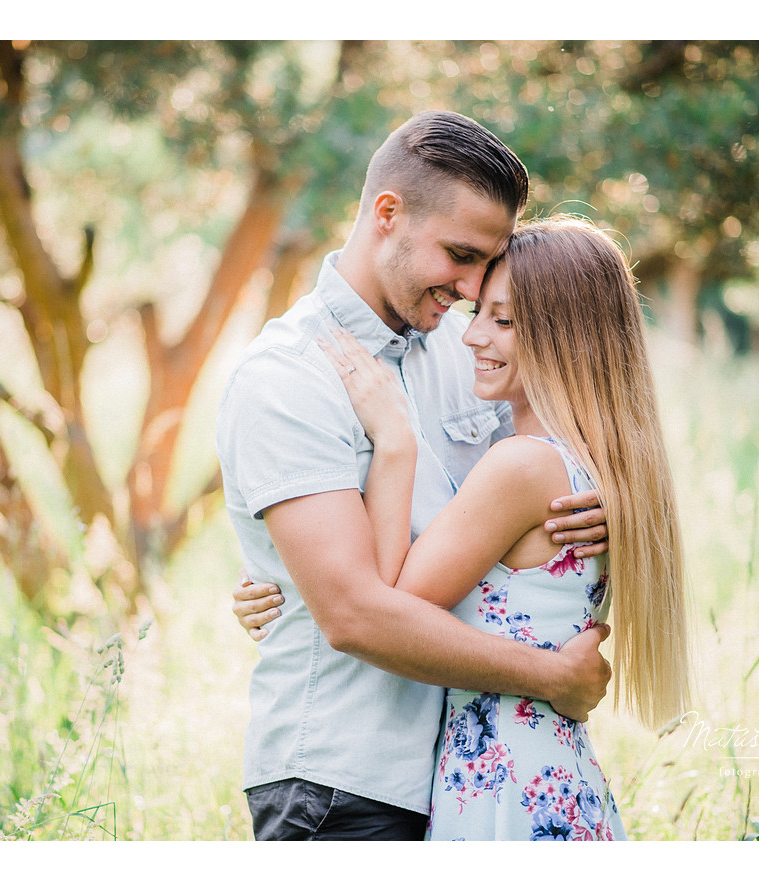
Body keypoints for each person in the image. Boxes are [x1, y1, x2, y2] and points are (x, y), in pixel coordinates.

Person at [215, 111, 612, 841]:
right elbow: (354, 614)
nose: (469, 289)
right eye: (459, 254)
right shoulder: (287, 379)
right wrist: (550, 675)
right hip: (339, 784)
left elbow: (545, 473)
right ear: (388, 214)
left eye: (485, 264)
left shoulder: (468, 357)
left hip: (466, 781)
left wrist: (605, 507)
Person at [316, 215, 692, 839]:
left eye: (504, 319)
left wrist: (395, 442)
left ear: (567, 339)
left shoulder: (522, 465)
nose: (472, 338)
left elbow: (391, 609)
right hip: (552, 774)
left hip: (506, 783)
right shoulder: (595, 469)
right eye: (478, 313)